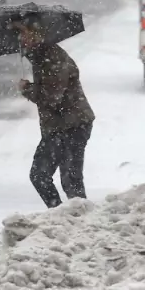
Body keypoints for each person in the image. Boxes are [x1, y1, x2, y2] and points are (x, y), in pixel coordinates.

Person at [15, 17, 95, 209]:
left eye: (24, 32)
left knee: (58, 178)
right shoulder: (41, 56)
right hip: (62, 125)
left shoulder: (53, 58)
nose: (21, 38)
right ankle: (69, 220)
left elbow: (51, 97)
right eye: (18, 33)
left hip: (71, 125)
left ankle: (71, 221)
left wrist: (27, 89)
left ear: (38, 34)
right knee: (61, 178)